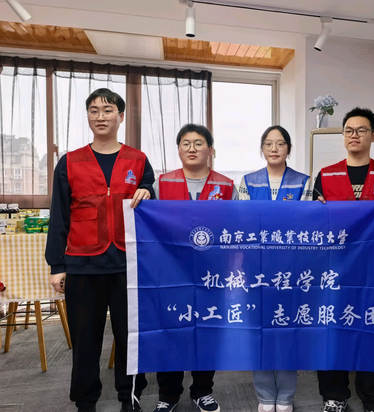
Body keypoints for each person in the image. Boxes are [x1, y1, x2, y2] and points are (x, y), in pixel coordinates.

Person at [46, 88, 153, 412]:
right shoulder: (69, 162)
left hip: (126, 264)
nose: (100, 116)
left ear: (120, 116)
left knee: (129, 336)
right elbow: (59, 215)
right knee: (85, 340)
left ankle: (129, 397)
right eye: (94, 110)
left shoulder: (138, 160)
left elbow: (150, 195)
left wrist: (147, 190)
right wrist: (57, 265)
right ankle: (85, 401)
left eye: (107, 110)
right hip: (82, 264)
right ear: (88, 117)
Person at [313, 107, 374, 412]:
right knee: (332, 331)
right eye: (349, 130)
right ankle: (334, 396)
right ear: (343, 136)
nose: (354, 135)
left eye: (362, 130)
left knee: (373, 330)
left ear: (373, 135)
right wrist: (316, 210)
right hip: (334, 271)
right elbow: (314, 226)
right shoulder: (326, 175)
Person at [152, 123, 238, 412]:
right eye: (186, 143)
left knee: (207, 330)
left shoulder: (226, 186)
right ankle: (168, 394)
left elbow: (235, 229)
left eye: (199, 143)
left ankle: (203, 390)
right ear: (178, 149)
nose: (192, 148)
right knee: (171, 331)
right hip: (171, 273)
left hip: (212, 273)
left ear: (210, 150)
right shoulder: (161, 184)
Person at [239, 125, 312, 412]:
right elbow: (243, 222)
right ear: (262, 148)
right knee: (260, 332)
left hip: (291, 271)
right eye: (268, 143)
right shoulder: (247, 181)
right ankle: (265, 396)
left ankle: (286, 397)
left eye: (280, 143)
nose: (274, 148)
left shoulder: (304, 181)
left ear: (288, 149)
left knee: (287, 331)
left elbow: (304, 224)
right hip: (255, 270)